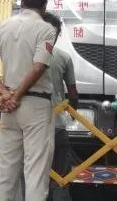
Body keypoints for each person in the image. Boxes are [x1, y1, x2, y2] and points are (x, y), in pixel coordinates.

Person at [0, 0, 58, 201]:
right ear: (45, 5)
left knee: (5, 170)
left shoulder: (4, 26)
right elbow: (39, 66)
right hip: (35, 105)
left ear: (22, 0)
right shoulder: (46, 29)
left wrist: (5, 94)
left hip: (9, 107)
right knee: (35, 172)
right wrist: (17, 95)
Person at [42, 12, 77, 201]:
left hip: (34, 126)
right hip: (57, 125)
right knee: (61, 174)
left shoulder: (28, 55)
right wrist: (73, 113)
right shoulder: (64, 58)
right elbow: (73, 93)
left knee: (36, 173)